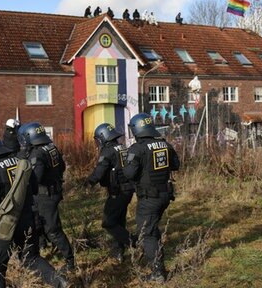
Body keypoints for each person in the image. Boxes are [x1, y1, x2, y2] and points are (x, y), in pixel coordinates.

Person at [0, 133, 67, 288]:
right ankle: (60, 282)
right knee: (31, 258)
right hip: (28, 219)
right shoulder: (21, 162)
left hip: (6, 224)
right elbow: (34, 188)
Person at [123, 113, 179, 282]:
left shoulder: (136, 149)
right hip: (165, 195)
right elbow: (176, 165)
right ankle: (157, 258)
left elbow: (129, 173)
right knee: (152, 228)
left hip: (149, 198)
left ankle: (158, 272)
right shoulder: (164, 144)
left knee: (145, 233)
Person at [17, 122, 75, 271]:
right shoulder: (51, 147)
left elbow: (36, 178)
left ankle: (70, 261)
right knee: (39, 224)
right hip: (53, 191)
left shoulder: (37, 153)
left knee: (53, 229)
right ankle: (41, 248)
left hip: (45, 195)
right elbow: (61, 166)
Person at [86, 123, 134, 262]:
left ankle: (135, 243)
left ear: (102, 137)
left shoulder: (108, 151)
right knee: (119, 221)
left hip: (117, 191)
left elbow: (100, 170)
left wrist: (88, 182)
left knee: (108, 222)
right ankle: (118, 251)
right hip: (127, 189)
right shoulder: (122, 147)